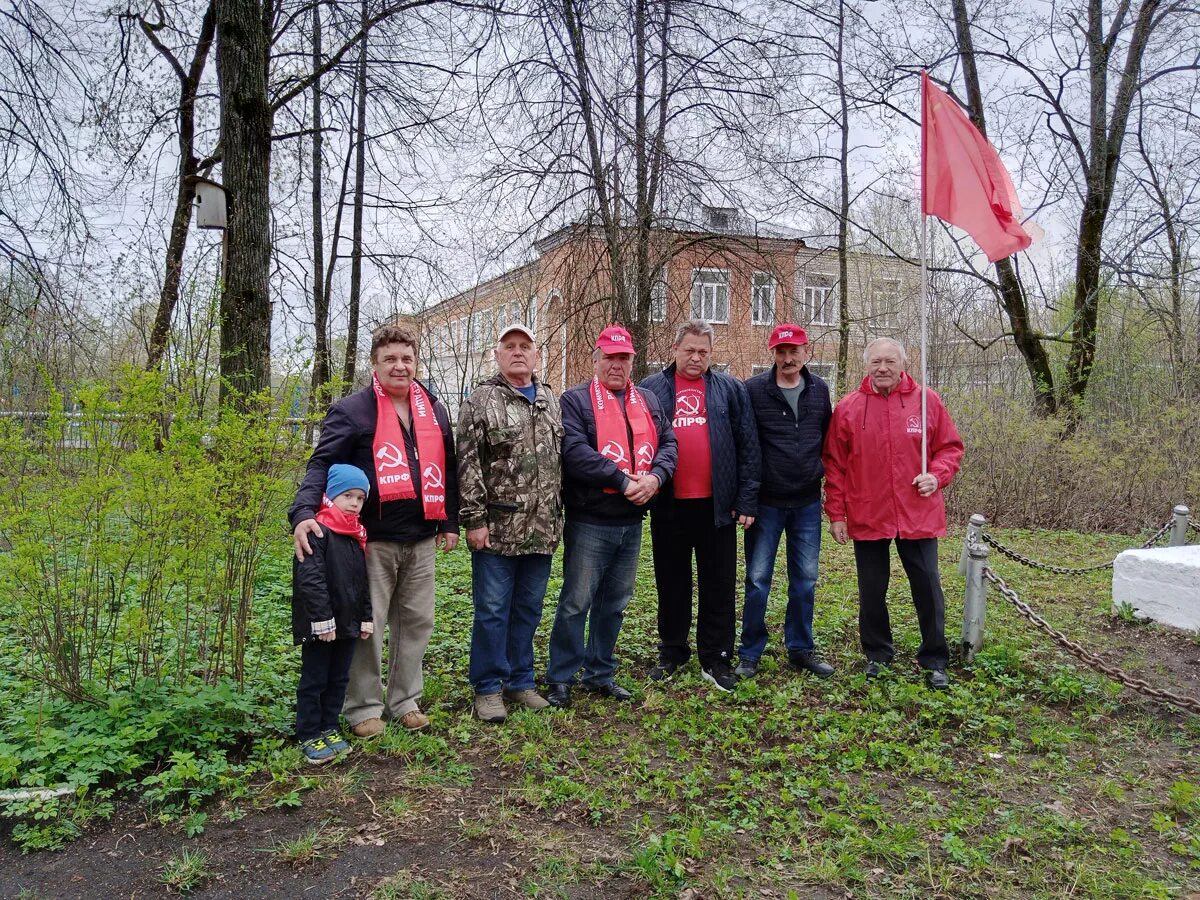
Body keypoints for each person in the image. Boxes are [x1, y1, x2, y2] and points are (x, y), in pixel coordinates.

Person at [290, 325, 459, 737]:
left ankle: (404, 700)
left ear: (416, 362)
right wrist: (301, 513)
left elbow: (449, 468)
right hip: (367, 539)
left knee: (417, 621)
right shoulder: (353, 410)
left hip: (421, 536)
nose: (400, 366)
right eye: (390, 359)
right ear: (375, 364)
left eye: (407, 358)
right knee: (368, 625)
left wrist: (450, 521)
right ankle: (364, 706)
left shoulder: (433, 409)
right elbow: (321, 463)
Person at [543, 325, 677, 709]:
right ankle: (562, 677)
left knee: (615, 603)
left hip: (631, 521)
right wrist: (621, 480)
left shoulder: (648, 399)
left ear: (633, 360)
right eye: (610, 357)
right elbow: (574, 451)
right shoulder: (575, 400)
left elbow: (668, 442)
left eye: (624, 358)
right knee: (576, 602)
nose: (617, 365)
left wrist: (655, 477)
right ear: (596, 359)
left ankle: (600, 672)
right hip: (590, 520)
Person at [823, 337, 964, 689]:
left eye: (890, 362)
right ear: (867, 366)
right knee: (872, 590)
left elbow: (950, 447)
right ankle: (878, 655)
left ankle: (934, 658)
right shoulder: (849, 408)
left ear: (903, 364)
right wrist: (836, 514)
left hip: (917, 513)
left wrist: (937, 475)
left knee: (928, 588)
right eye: (876, 362)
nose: (883, 368)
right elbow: (834, 466)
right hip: (868, 512)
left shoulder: (926, 401)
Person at [639, 319, 759, 692]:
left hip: (718, 507)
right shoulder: (651, 389)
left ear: (711, 354)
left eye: (703, 352)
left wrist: (746, 499)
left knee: (718, 584)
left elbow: (748, 446)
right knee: (671, 582)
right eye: (689, 350)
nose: (696, 357)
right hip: (670, 505)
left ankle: (716, 656)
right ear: (675, 349)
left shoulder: (729, 388)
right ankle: (673, 651)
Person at [457, 322, 563, 723]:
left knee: (529, 609)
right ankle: (487, 687)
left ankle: (520, 681)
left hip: (541, 530)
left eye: (525, 346)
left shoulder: (551, 401)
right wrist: (474, 519)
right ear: (497, 355)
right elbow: (468, 465)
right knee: (492, 610)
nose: (518, 352)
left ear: (536, 354)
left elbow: (559, 465)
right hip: (497, 530)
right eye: (510, 346)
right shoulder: (481, 401)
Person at [737, 323, 836, 679]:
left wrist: (820, 471)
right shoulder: (754, 391)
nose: (788, 358)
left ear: (805, 352)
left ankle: (800, 648)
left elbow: (828, 439)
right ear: (773, 354)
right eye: (781, 351)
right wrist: (746, 499)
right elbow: (746, 447)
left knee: (805, 580)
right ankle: (749, 653)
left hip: (807, 502)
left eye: (794, 351)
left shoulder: (819, 390)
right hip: (766, 503)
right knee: (757, 579)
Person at [292, 464, 375, 764]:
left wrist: (365, 617)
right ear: (331, 495)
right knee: (315, 678)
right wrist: (321, 620)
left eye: (360, 498)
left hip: (348, 624)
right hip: (322, 625)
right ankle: (309, 733)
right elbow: (311, 580)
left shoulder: (356, 535)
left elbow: (361, 582)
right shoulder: (318, 531)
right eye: (348, 496)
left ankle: (329, 726)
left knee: (339, 677)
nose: (354, 503)